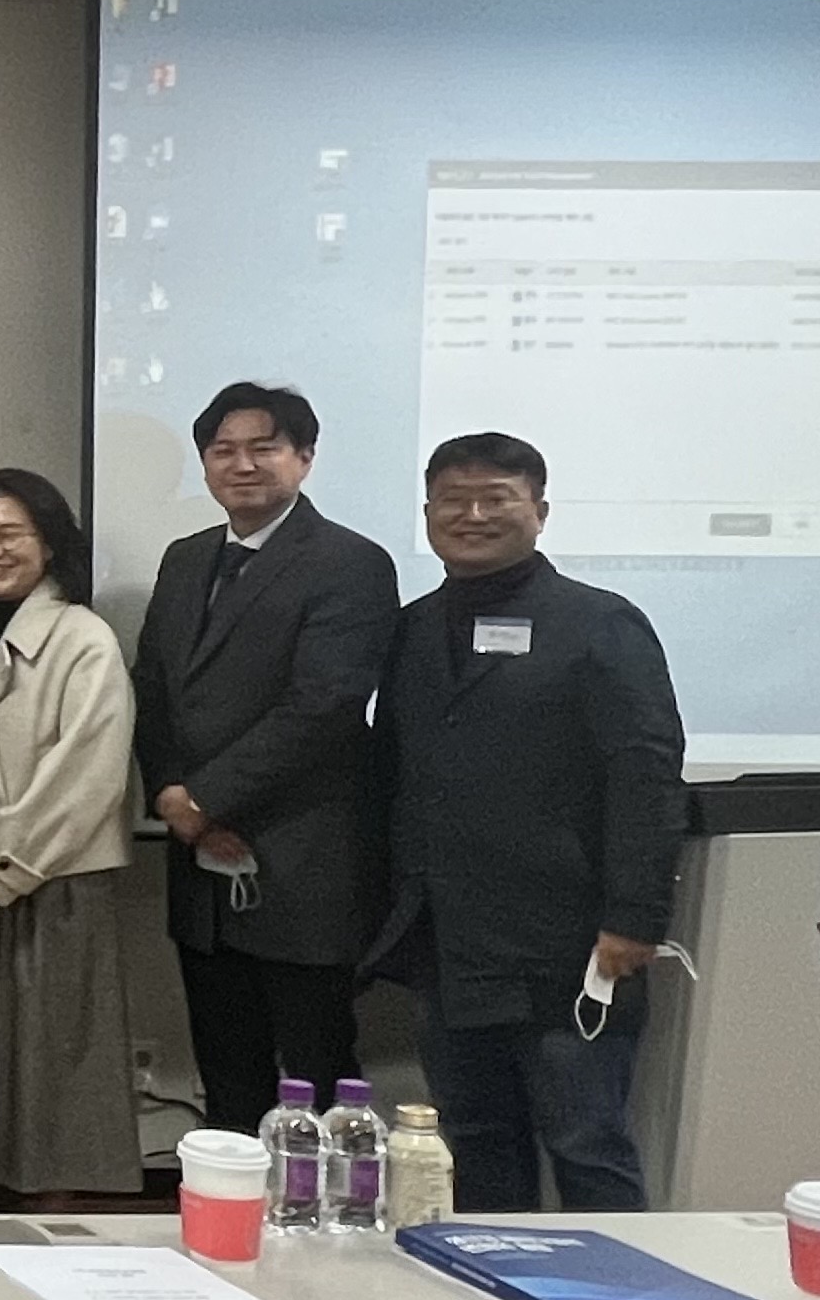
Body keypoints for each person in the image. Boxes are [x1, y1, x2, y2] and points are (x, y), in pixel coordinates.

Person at [369, 433, 688, 1211]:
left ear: (539, 511)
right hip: (448, 942)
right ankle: (496, 1276)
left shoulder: (599, 622)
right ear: (428, 513)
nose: (473, 515)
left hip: (566, 943)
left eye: (497, 499)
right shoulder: (412, 628)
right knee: (475, 1138)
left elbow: (646, 775)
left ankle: (614, 1282)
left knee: (586, 1142)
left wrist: (635, 917)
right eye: (454, 500)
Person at [129, 380, 400, 1141]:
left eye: (263, 448)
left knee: (318, 1074)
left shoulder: (350, 562)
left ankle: (319, 1211)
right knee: (226, 1070)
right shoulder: (187, 559)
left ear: (304, 458)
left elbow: (324, 706)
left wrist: (204, 799)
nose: (241, 464)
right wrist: (169, 795)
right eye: (223, 450)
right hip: (201, 870)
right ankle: (227, 1204)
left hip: (301, 864)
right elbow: (153, 690)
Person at [0, 469, 142, 1205]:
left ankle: (49, 1219)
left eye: (11, 534)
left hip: (47, 877)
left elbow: (89, 774)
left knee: (49, 1067)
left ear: (50, 545)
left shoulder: (84, 638)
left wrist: (5, 862)